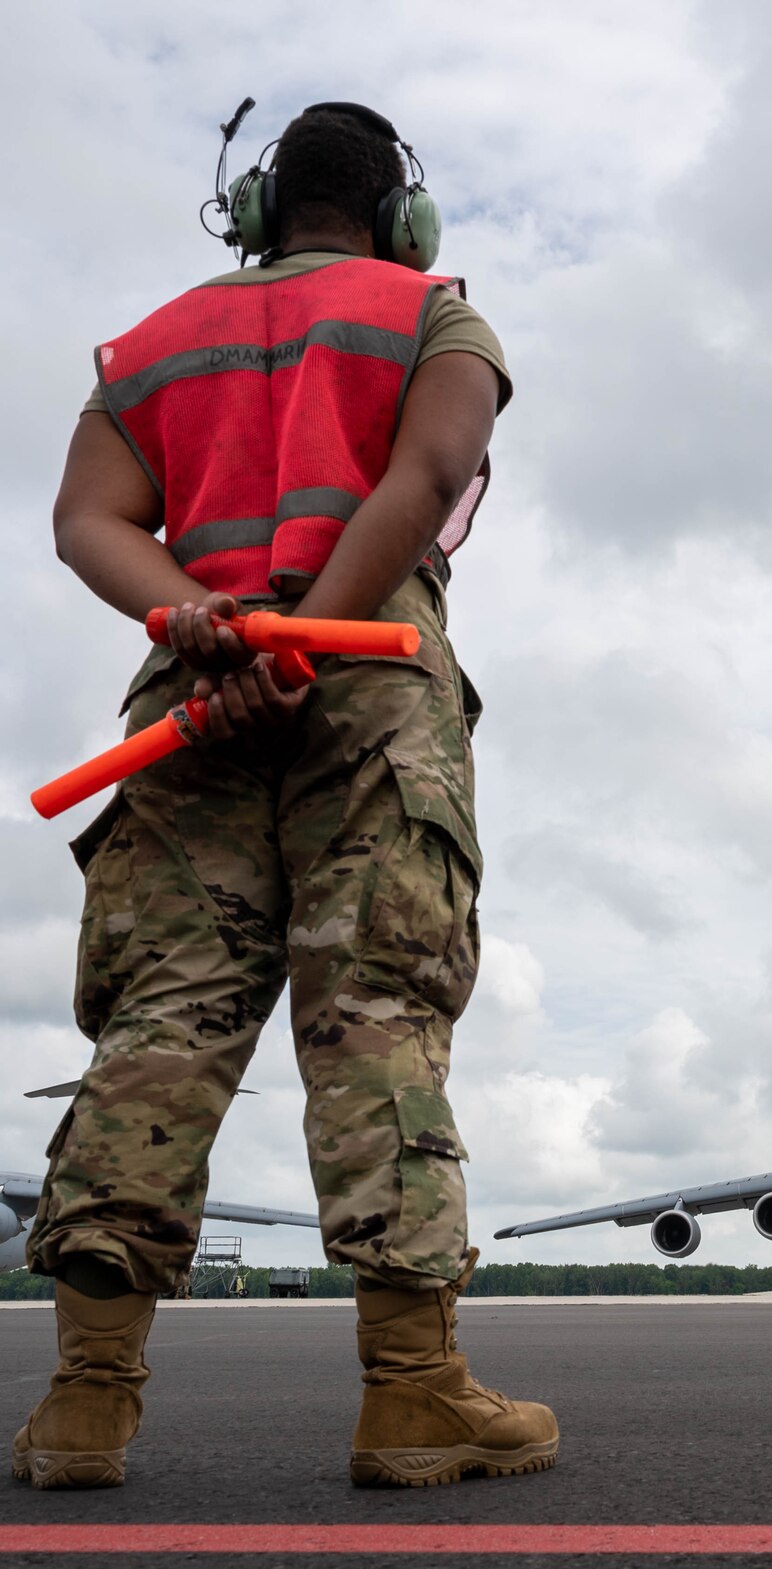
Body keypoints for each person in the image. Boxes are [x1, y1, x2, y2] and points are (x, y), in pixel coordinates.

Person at [14, 102, 557, 1491]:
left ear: (256, 212)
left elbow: (88, 522)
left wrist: (214, 621)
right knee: (374, 1006)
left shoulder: (149, 347)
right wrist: (309, 632)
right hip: (366, 679)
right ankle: (413, 1394)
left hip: (191, 700)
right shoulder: (434, 313)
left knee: (161, 1021)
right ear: (399, 216)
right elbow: (427, 472)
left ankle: (84, 1405)